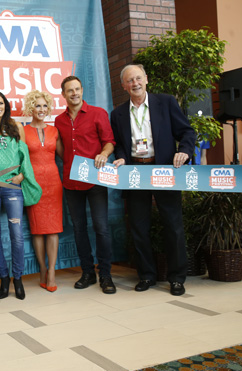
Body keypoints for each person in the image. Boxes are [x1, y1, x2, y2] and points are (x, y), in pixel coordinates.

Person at [111, 64, 196, 296]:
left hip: (164, 171)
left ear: (146, 79)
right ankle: (147, 276)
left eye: (138, 78)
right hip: (136, 173)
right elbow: (119, 143)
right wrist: (119, 158)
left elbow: (187, 132)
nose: (135, 83)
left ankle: (177, 279)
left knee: (174, 226)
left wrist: (185, 151)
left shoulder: (165, 102)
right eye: (130, 80)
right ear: (123, 86)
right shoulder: (117, 113)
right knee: (138, 228)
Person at [55, 76, 117, 295]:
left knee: (101, 227)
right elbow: (60, 149)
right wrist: (70, 164)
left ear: (82, 90)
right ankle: (88, 272)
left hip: (96, 180)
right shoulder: (59, 120)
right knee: (79, 229)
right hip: (71, 182)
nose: (74, 93)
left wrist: (103, 153)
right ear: (63, 94)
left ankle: (106, 275)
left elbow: (109, 141)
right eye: (69, 91)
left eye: (77, 89)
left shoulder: (98, 113)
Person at [0, 90, 40, 300]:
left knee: (16, 234)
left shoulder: (16, 126)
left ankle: (18, 278)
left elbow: (25, 156)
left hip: (13, 186)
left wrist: (22, 176)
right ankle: (4, 278)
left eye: (1, 103)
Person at [22, 90, 64, 292]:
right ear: (31, 108)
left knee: (53, 228)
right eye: (37, 105)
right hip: (32, 183)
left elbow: (65, 156)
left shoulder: (54, 131)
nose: (41, 109)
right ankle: (42, 269)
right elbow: (20, 159)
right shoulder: (23, 130)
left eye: (44, 106)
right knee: (38, 229)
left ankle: (53, 272)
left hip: (54, 183)